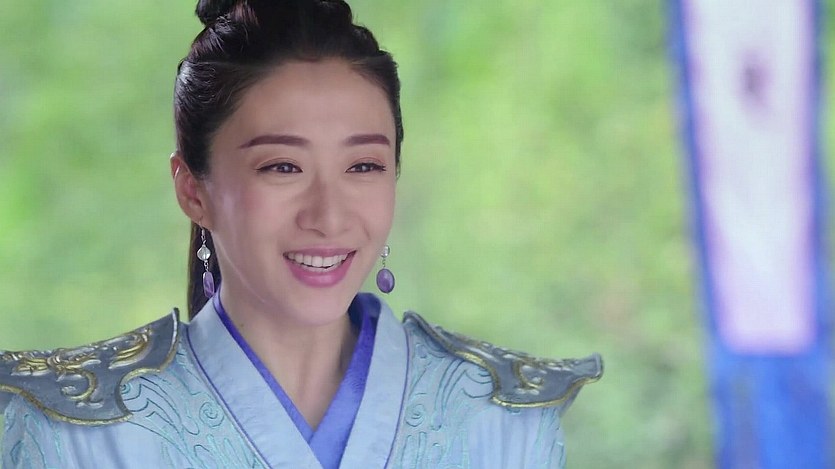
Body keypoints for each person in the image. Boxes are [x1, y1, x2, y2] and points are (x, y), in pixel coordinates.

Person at [0, 0, 602, 467]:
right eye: (282, 167)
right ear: (193, 190)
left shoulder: (501, 417)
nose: (329, 216)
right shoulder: (76, 430)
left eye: (362, 166)